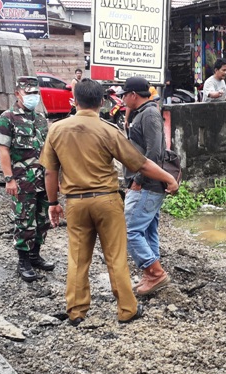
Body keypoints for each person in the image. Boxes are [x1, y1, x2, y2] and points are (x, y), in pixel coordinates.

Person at [40, 79, 178, 325]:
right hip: (106, 201)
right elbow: (142, 163)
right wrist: (168, 177)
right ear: (102, 102)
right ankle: (127, 309)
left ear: (75, 100)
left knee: (78, 259)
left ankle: (76, 311)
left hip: (75, 203)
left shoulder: (56, 129)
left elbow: (50, 172)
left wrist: (53, 203)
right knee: (115, 256)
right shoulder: (108, 130)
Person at [0, 76, 55, 282]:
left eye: (35, 93)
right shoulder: (8, 118)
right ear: (17, 94)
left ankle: (35, 255)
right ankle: (23, 261)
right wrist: (8, 179)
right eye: (29, 93)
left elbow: (48, 149)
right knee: (24, 221)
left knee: (42, 220)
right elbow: (3, 150)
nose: (33, 97)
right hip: (22, 181)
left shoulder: (40, 119)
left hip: (44, 180)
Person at [120, 77, 173, 296]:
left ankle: (155, 273)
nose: (122, 99)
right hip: (147, 184)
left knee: (131, 231)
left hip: (146, 185)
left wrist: (139, 181)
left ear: (133, 95)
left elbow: (155, 153)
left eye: (124, 94)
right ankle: (151, 275)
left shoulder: (149, 114)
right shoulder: (141, 113)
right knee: (147, 230)